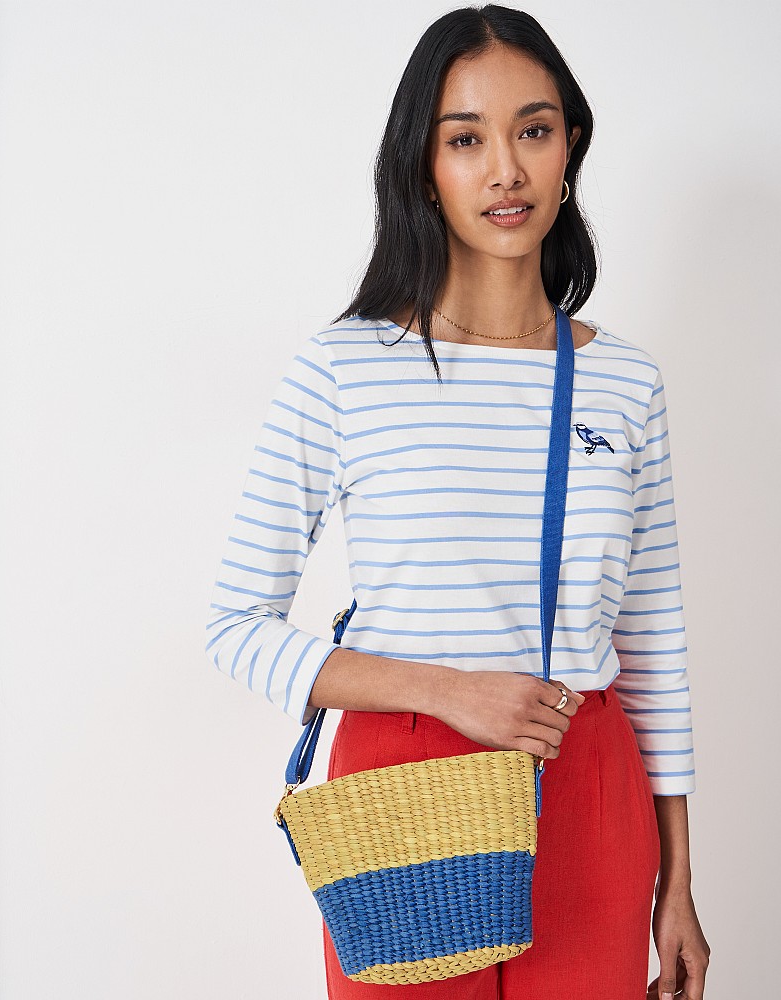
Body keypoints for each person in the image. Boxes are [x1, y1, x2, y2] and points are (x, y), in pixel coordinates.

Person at [204, 5, 710, 998]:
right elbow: (234, 625)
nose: (505, 170)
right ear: (423, 165)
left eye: (533, 130)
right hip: (404, 782)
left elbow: (654, 643)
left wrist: (679, 880)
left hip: (587, 778)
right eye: (466, 140)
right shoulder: (345, 367)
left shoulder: (625, 381)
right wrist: (447, 690)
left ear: (570, 148)